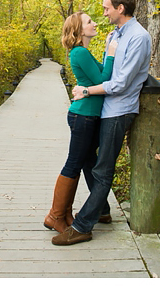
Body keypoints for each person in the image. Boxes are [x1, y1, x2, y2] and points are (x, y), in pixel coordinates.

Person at [52, 0, 152, 246]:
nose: (103, 13)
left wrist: (86, 90)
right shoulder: (116, 34)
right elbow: (104, 70)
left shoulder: (138, 37)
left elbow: (118, 82)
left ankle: (83, 225)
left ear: (120, 8)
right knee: (88, 161)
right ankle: (102, 211)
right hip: (103, 110)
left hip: (119, 110)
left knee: (102, 168)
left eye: (107, 8)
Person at [44, 12, 118, 233]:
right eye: (89, 22)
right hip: (83, 117)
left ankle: (69, 213)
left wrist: (106, 49)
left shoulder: (83, 52)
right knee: (74, 163)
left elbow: (100, 73)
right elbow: (104, 79)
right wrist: (111, 53)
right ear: (78, 30)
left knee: (85, 162)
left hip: (88, 115)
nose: (94, 23)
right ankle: (54, 216)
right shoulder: (79, 53)